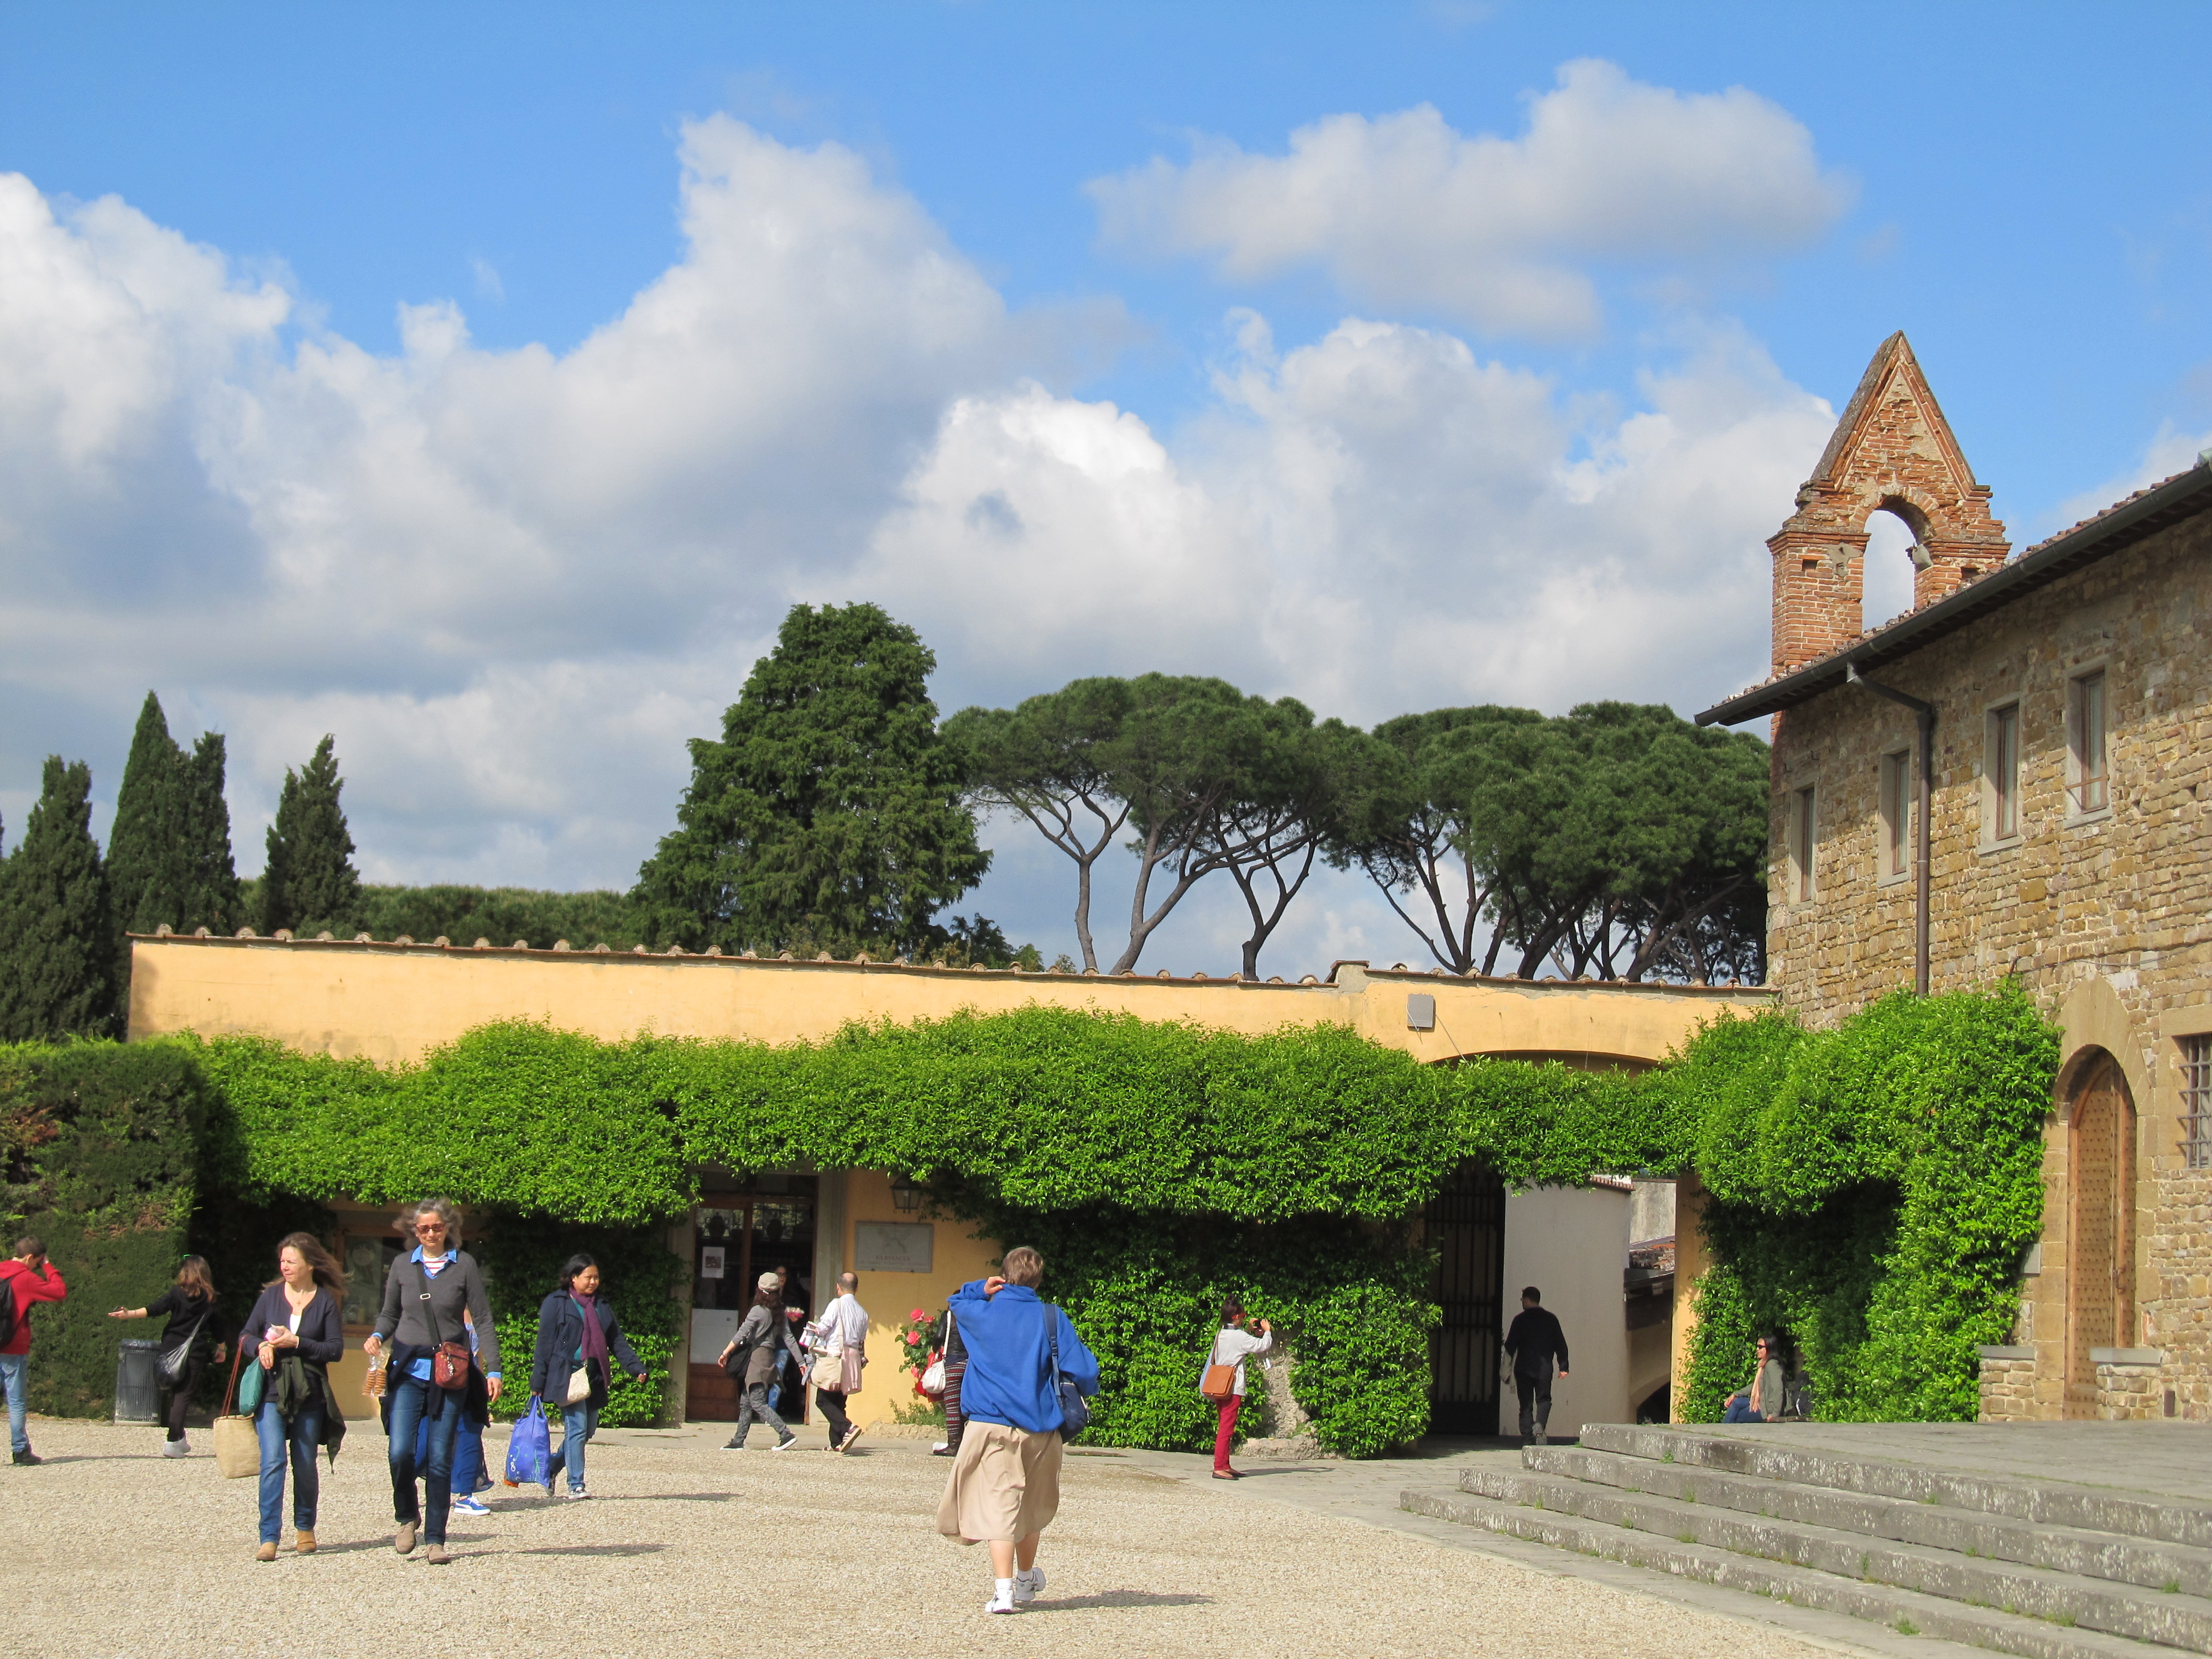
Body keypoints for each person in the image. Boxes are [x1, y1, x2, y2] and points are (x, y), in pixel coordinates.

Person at [935, 1246, 1100, 1615]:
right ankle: (1025, 1580)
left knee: (999, 1505)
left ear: (1004, 1276)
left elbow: (956, 1302)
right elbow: (1086, 1371)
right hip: (1039, 1426)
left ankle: (1004, 1591)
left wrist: (981, 1288)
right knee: (1030, 1507)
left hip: (989, 1424)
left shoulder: (982, 1313)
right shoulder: (1051, 1317)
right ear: (1039, 1280)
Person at [363, 1198, 502, 1564]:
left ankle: (436, 1540)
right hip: (408, 1372)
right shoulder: (402, 1266)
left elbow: (483, 1319)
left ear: (447, 1228)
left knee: (440, 1458)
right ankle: (407, 1516)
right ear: (414, 1230)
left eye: (436, 1227)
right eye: (423, 1228)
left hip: (450, 1374)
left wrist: (494, 1370)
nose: (430, 1233)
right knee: (400, 1452)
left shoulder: (464, 1265)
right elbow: (390, 1313)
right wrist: (377, 1335)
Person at [237, 1233, 346, 1561]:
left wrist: (297, 1343)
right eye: (282, 1261)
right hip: (271, 1391)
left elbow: (335, 1350)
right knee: (273, 1461)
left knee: (304, 1462)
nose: (284, 1266)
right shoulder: (270, 1297)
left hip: (309, 1392)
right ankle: (269, 1537)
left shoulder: (324, 1302)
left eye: (291, 1261)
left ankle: (305, 1527)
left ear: (309, 1264)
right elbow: (245, 1335)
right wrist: (261, 1345)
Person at [529, 1253, 646, 1499]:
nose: (593, 1282)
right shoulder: (556, 1302)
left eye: (596, 1277)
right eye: (588, 1277)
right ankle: (576, 1485)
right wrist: (538, 1381)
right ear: (573, 1278)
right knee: (577, 1427)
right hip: (567, 1374)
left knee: (588, 1429)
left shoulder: (601, 1306)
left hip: (594, 1376)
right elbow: (544, 1344)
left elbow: (616, 1341)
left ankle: (551, 1467)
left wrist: (636, 1368)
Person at [108, 1255, 232, 1457]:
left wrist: (129, 1314)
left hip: (170, 1350)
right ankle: (173, 1441)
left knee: (176, 1393)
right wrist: (222, 1349)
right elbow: (218, 1326)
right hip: (194, 1352)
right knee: (183, 1395)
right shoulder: (210, 1297)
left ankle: (180, 1438)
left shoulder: (176, 1293)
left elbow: (156, 1308)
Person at [716, 1271, 804, 1450]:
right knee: (746, 1401)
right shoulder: (780, 1312)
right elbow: (789, 1339)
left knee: (756, 1402)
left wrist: (725, 1353)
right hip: (768, 1357)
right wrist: (801, 1362)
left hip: (757, 1359)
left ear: (759, 1290)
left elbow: (742, 1333)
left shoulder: (757, 1310)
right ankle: (738, 1441)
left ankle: (785, 1434)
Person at [0, 1236, 67, 1465]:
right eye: (36, 1262)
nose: (36, 1266)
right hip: (13, 1346)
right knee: (16, 1401)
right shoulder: (25, 1279)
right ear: (30, 1257)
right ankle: (20, 1450)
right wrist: (48, 1266)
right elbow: (59, 1291)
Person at [1201, 1299, 1272, 1480]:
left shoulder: (1222, 1333)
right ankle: (1219, 1467)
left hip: (1219, 1385)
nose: (1244, 1318)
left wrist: (1248, 1330)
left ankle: (1225, 1465)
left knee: (1225, 1425)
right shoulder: (1239, 1337)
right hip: (1232, 1387)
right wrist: (1267, 1332)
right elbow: (1262, 1346)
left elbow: (1237, 1345)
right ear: (1236, 1317)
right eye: (1243, 1315)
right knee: (1226, 1428)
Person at [807, 1270, 870, 1453]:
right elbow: (862, 1339)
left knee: (823, 1400)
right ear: (857, 1288)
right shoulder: (862, 1312)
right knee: (840, 1400)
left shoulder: (836, 1304)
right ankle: (836, 1442)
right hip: (853, 1357)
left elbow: (824, 1328)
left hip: (836, 1356)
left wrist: (814, 1329)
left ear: (838, 1287)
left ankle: (847, 1427)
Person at [1501, 1286, 1569, 1446]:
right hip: (1544, 1369)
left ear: (1526, 1300)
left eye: (1522, 1300)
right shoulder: (1551, 1319)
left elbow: (1510, 1346)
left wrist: (1505, 1370)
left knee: (1526, 1405)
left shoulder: (1520, 1320)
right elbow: (1561, 1344)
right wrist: (1563, 1366)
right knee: (1544, 1399)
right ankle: (1539, 1425)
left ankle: (1527, 1438)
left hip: (1523, 1368)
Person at [1724, 1334, 1787, 1423]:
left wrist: (1775, 1414)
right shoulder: (1764, 1365)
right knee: (1736, 1402)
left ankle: (1725, 1429)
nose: (1757, 1349)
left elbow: (1778, 1389)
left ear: (1769, 1348)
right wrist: (1735, 1395)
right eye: (1757, 1346)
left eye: (1760, 1347)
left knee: (1738, 1416)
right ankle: (1725, 1428)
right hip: (1762, 1403)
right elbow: (1756, 1385)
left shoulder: (1772, 1365)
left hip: (1767, 1409)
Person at [931, 1305, 967, 1459]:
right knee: (965, 1406)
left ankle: (953, 1446)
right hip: (971, 1365)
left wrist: (935, 1349)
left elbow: (939, 1337)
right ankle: (966, 1444)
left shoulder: (949, 1315)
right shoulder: (974, 1314)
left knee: (952, 1406)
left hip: (953, 1363)